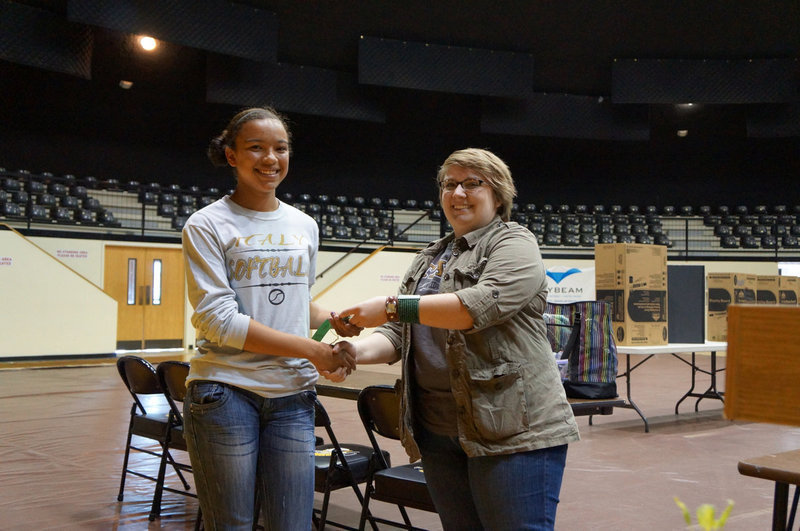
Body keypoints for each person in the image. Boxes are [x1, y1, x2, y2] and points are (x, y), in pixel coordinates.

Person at [332, 148, 580, 530]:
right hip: (439, 430)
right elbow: (398, 334)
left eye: (471, 183)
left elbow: (474, 307)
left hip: (511, 430)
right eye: (449, 184)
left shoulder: (514, 243)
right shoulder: (429, 257)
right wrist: (351, 352)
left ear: (498, 195)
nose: (457, 193)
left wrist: (392, 305)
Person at [181, 106, 360, 530]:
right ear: (232, 156)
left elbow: (299, 303)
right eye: (255, 148)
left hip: (292, 397)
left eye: (280, 148)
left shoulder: (303, 224)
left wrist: (332, 320)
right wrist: (313, 350)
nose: (270, 159)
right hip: (226, 391)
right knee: (234, 525)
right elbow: (218, 321)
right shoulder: (206, 224)